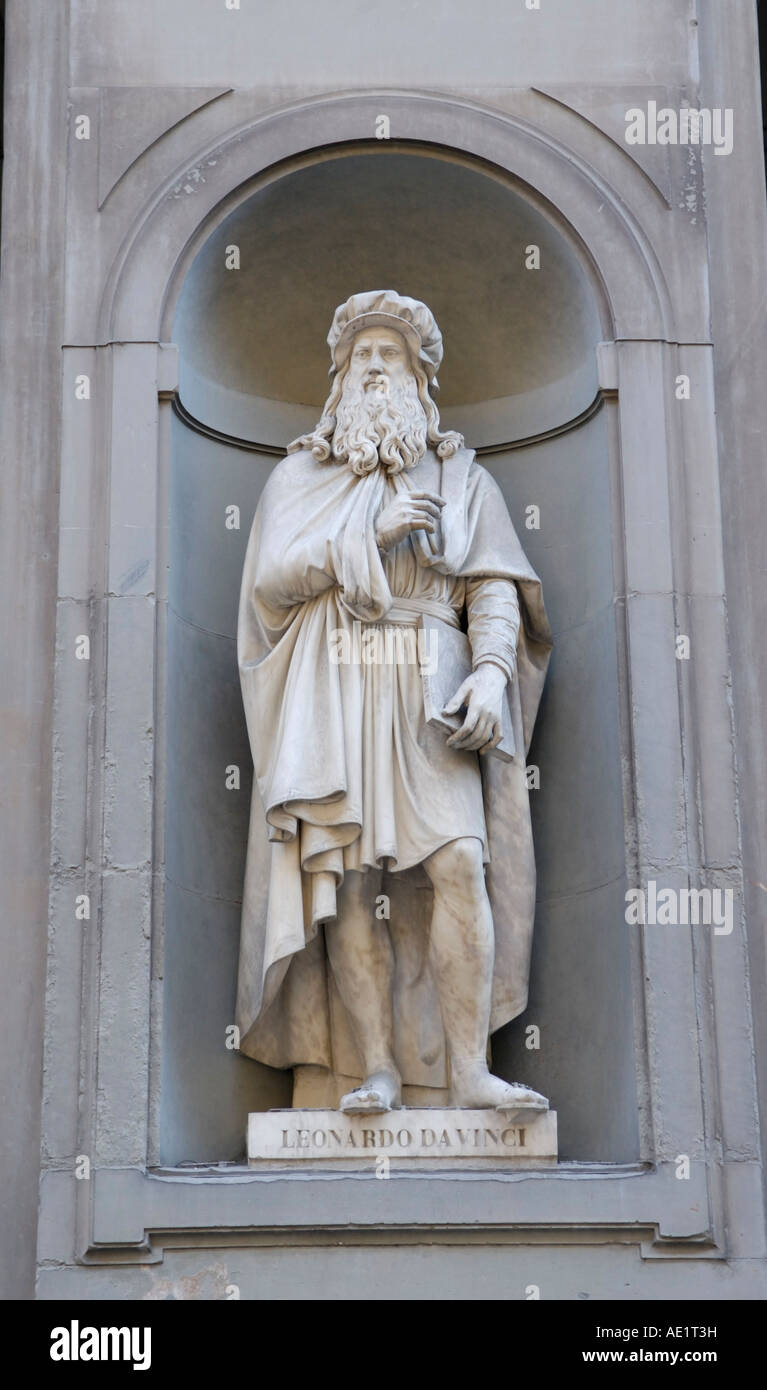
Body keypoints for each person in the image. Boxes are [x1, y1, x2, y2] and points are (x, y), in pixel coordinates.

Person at [236, 291, 552, 1117]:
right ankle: (370, 1068)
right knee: (345, 876)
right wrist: (366, 538)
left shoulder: (459, 474)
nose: (375, 369)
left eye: (392, 356)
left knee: (458, 861)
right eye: (361, 358)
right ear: (339, 381)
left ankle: (468, 1071)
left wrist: (489, 671)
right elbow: (271, 578)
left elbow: (491, 587)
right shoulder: (301, 474)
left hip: (431, 675)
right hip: (336, 673)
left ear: (419, 377)